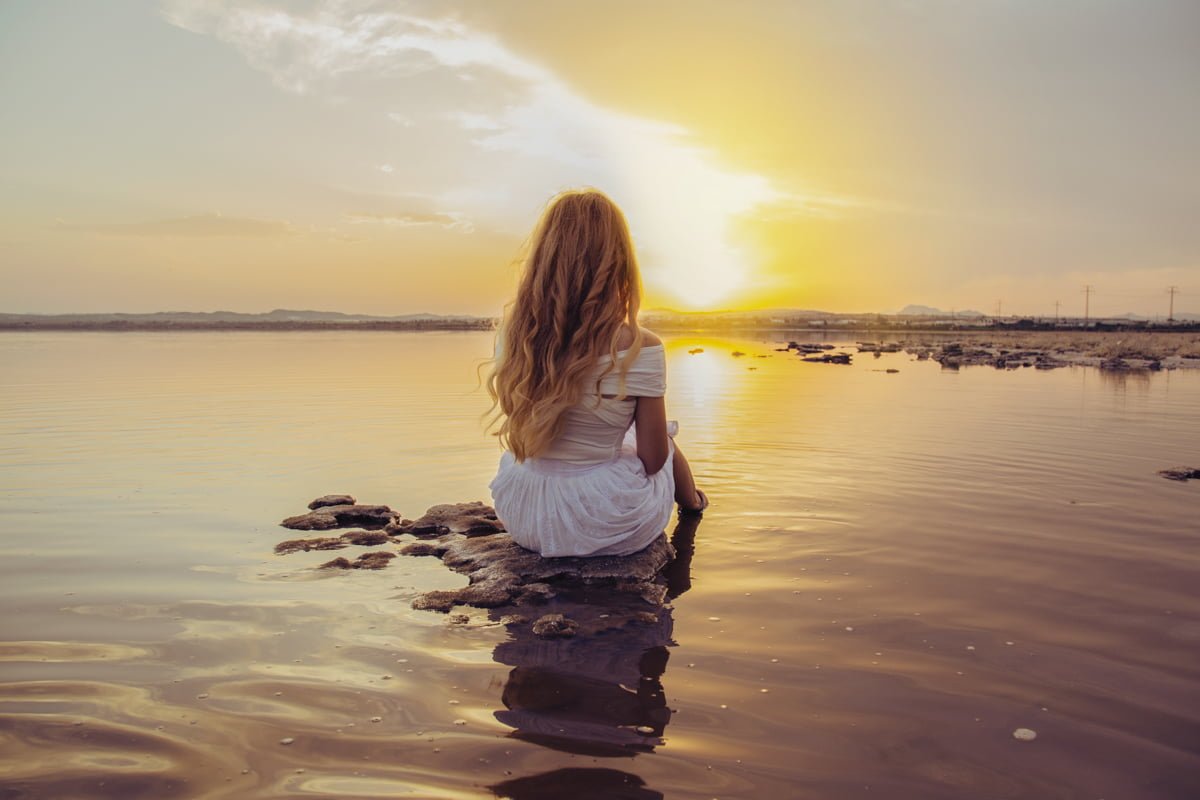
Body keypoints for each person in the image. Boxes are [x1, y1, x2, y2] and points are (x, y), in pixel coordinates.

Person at [486, 188, 707, 557]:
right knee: (663, 437)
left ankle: (693, 502)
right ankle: (694, 504)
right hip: (602, 521)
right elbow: (654, 460)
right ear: (618, 261)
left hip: (525, 515)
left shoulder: (516, 335)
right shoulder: (640, 345)